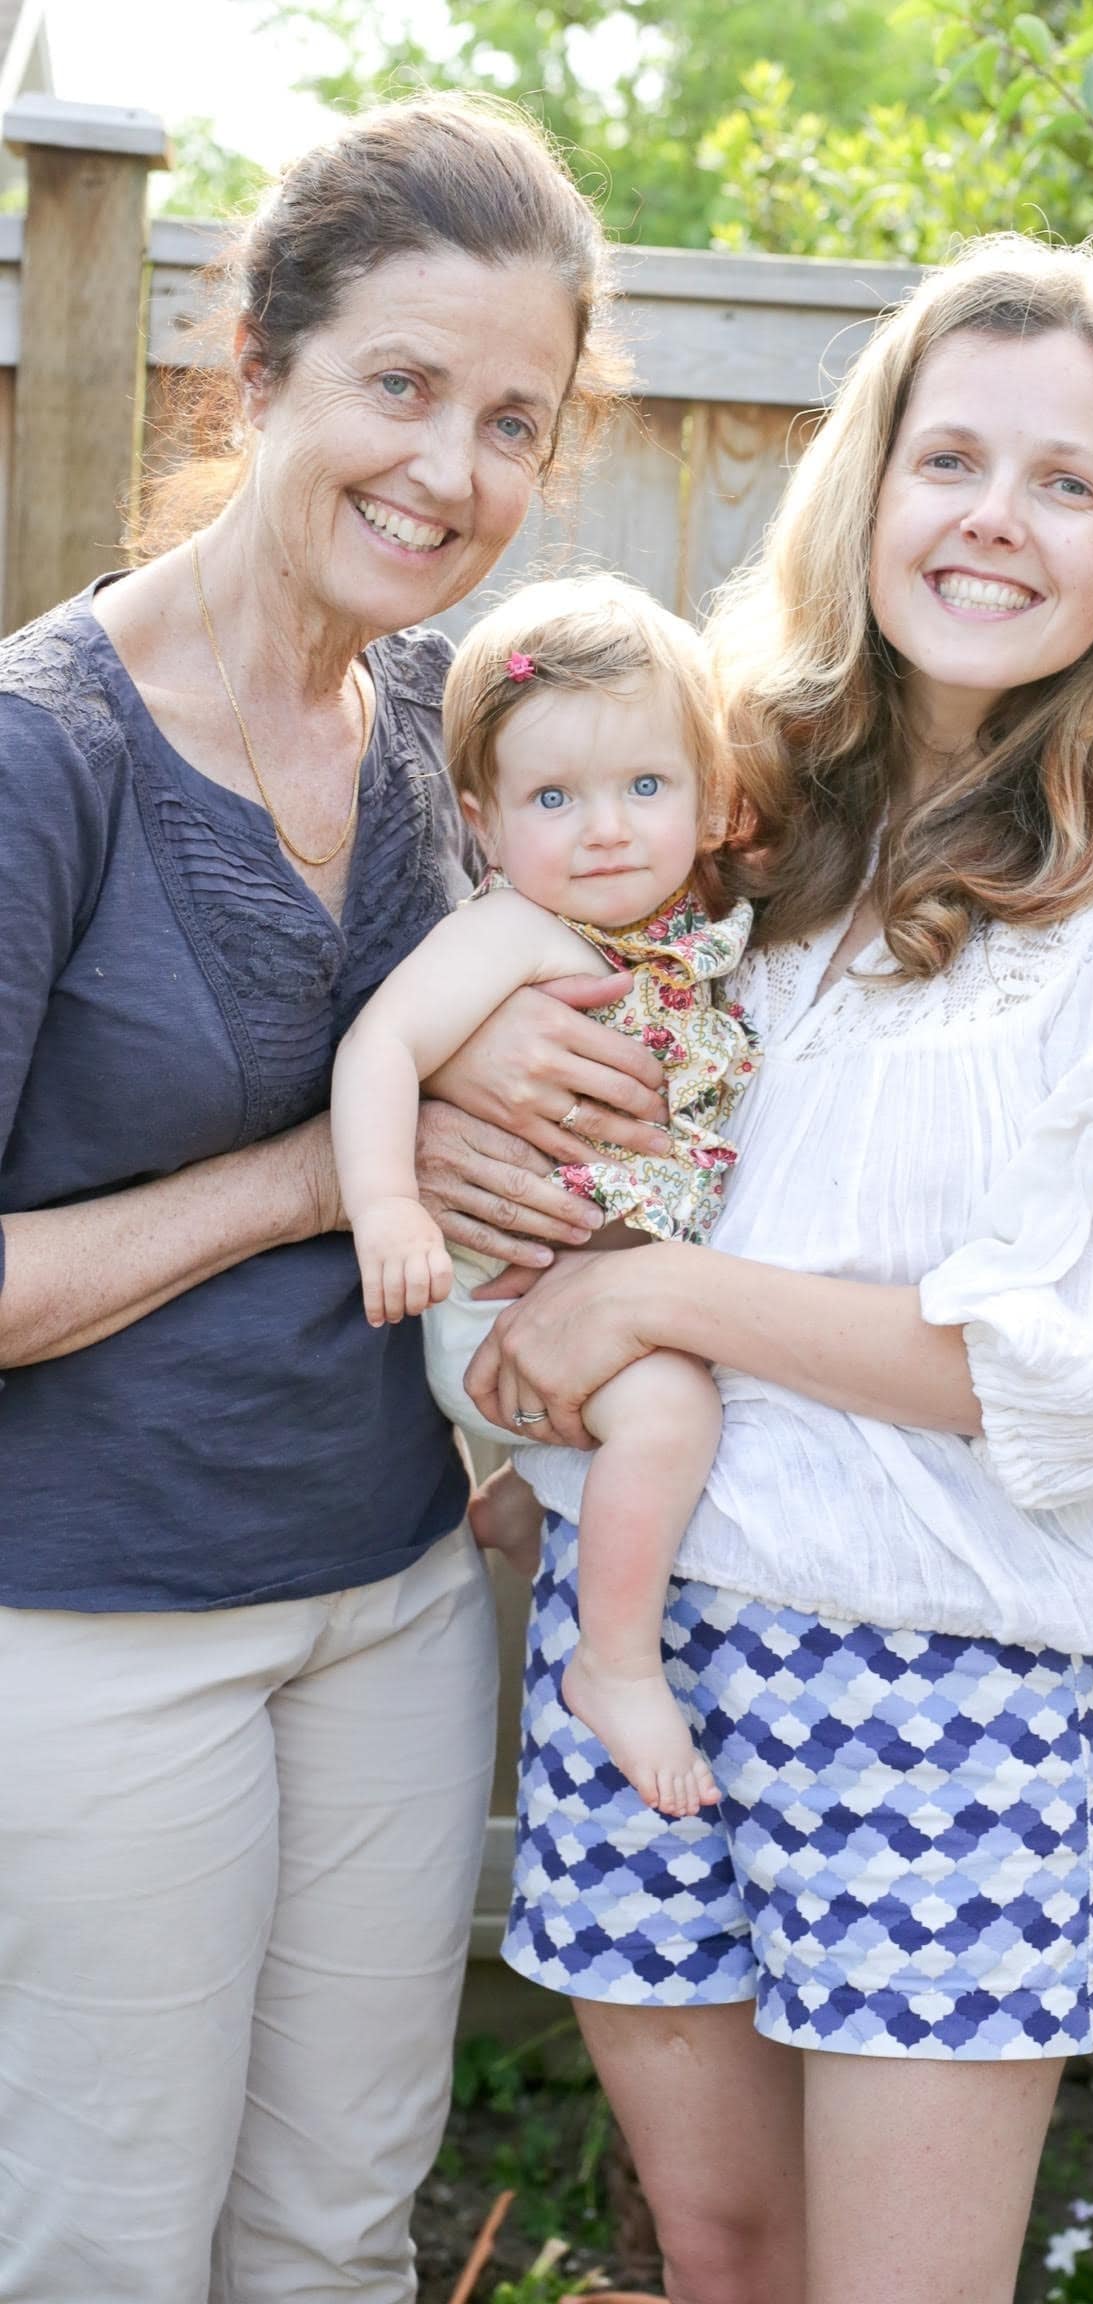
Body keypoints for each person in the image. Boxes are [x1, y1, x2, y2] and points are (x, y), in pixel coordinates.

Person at [464, 236, 1093, 2304]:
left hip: (944, 1678)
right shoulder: (734, 807)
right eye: (951, 459)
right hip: (647, 1638)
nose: (994, 518)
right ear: (870, 487)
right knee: (724, 2255)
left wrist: (662, 1308)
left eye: (1064, 482)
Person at [0, 95, 675, 2304]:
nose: (452, 470)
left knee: (335, 2233)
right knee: (107, 2246)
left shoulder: (442, 737)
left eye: (511, 419)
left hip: (389, 1593)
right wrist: (315, 1176)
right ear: (254, 355)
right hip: (100, 1636)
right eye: (401, 385)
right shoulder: (45, 757)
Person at [333, 572, 758, 1819]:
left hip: (604, 1282)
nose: (607, 829)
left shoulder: (686, 922)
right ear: (484, 818)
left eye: (645, 787)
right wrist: (388, 1209)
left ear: (709, 796)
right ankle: (612, 1667)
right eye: (555, 799)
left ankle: (522, 1503)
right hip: (503, 1302)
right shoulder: (513, 931)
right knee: (673, 1412)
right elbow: (380, 1050)